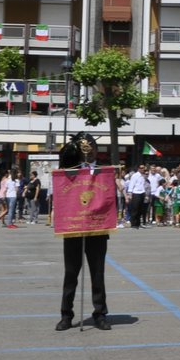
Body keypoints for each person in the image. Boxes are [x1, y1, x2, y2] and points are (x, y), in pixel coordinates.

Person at [53, 134, 110, 331]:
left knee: (98, 273)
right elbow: (62, 178)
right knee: (70, 273)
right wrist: (72, 152)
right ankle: (66, 315)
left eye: (92, 146)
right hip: (73, 228)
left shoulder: (105, 170)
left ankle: (100, 313)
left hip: (97, 228)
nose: (89, 150)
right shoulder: (70, 169)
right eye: (84, 146)